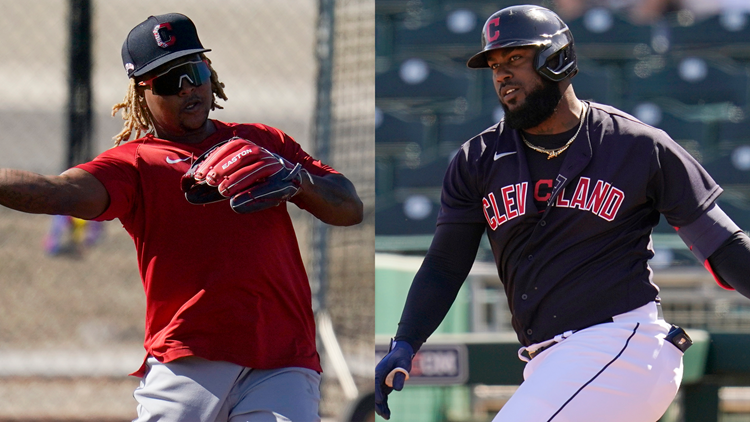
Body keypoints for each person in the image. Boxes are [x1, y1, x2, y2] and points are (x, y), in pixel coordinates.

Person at [375, 4, 750, 422]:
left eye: (515, 58)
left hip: (624, 345)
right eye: (494, 64)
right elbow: (445, 264)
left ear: (557, 59)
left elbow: (722, 244)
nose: (501, 74)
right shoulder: (478, 159)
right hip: (547, 363)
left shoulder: (635, 145)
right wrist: (406, 341)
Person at [0, 13, 362, 422]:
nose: (188, 88)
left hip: (283, 358)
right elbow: (59, 192)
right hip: (189, 360)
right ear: (143, 93)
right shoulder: (136, 165)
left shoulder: (263, 141)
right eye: (170, 81)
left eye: (194, 70)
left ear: (210, 71)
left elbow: (350, 208)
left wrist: (297, 180)